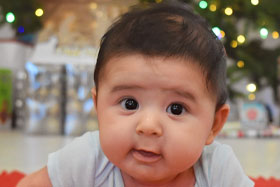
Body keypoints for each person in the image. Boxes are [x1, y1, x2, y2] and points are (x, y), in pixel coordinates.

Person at [18, 1, 254, 186]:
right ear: (98, 105)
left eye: (176, 109)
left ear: (214, 124)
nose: (148, 126)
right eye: (130, 103)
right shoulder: (88, 160)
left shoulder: (217, 170)